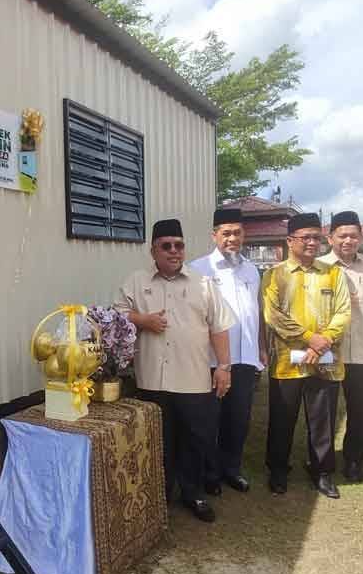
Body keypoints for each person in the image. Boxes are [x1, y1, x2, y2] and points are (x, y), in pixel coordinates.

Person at [114, 218, 235, 522]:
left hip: (193, 379)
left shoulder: (203, 283)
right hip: (152, 380)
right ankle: (160, 494)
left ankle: (193, 493)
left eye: (178, 245)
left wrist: (223, 367)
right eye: (165, 246)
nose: (173, 251)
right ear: (152, 250)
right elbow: (115, 314)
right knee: (157, 440)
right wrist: (143, 320)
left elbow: (219, 328)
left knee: (195, 440)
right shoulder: (136, 282)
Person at [262, 212, 350, 499]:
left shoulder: (333, 273)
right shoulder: (274, 274)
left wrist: (321, 342)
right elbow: (273, 315)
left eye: (316, 237)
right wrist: (309, 338)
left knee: (322, 419)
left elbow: (343, 312)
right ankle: (277, 469)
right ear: (290, 241)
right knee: (282, 418)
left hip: (325, 361)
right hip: (287, 362)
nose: (312, 242)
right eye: (306, 237)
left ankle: (322, 471)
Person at [191, 208, 268, 495]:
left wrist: (261, 346)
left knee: (239, 418)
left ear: (244, 235)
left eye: (237, 232)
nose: (232, 238)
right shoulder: (199, 269)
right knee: (211, 419)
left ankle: (232, 469)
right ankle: (210, 474)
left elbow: (256, 311)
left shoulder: (251, 269)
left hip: (246, 358)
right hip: (213, 361)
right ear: (214, 235)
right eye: (226, 233)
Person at [320, 210, 363, 483]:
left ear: (361, 237)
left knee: (358, 409)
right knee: (325, 409)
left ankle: (354, 461)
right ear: (330, 238)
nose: (348, 240)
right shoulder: (318, 265)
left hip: (362, 351)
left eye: (353, 235)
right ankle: (322, 462)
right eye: (342, 235)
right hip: (327, 351)